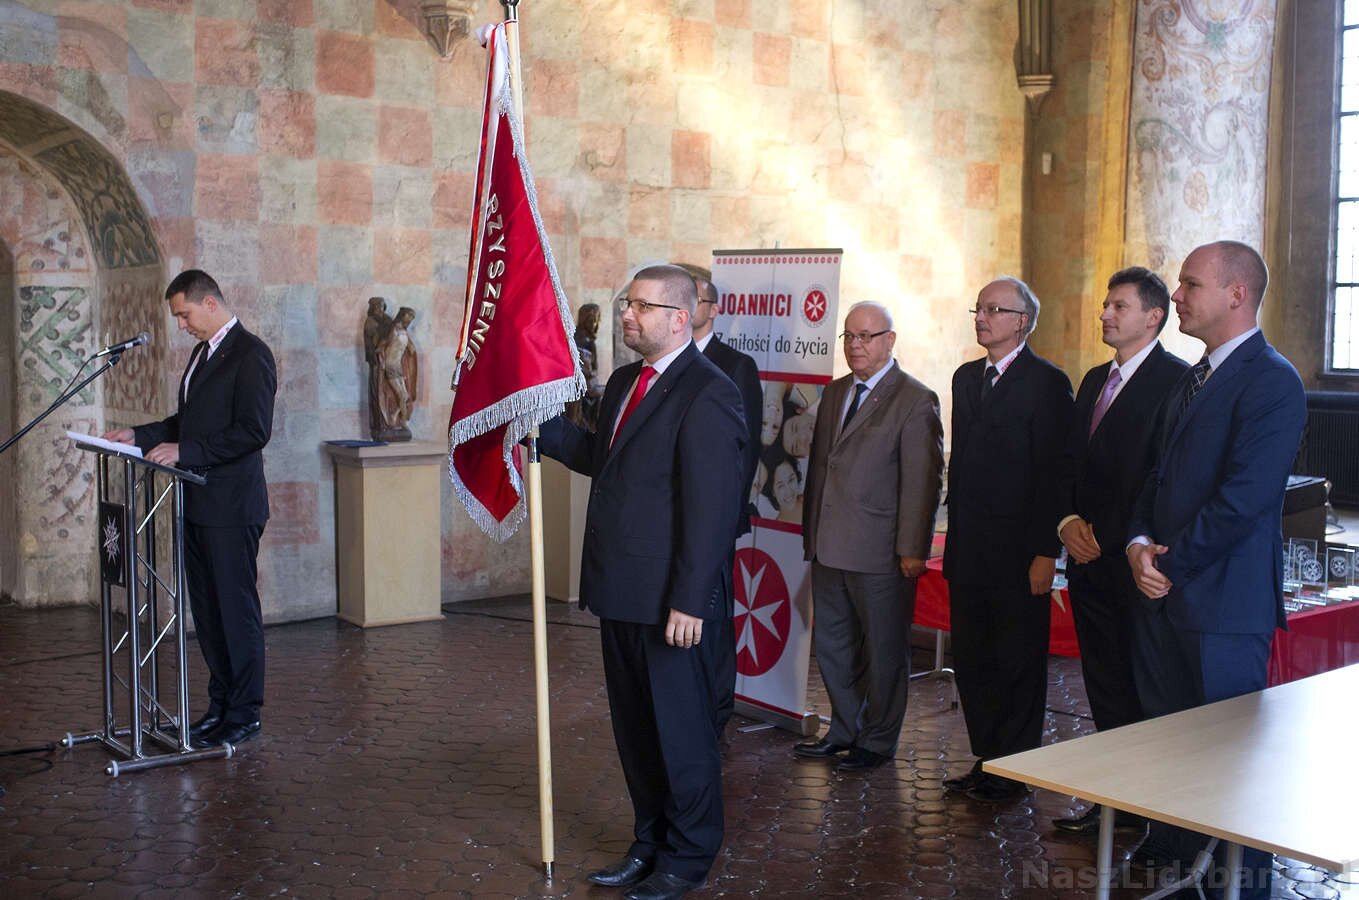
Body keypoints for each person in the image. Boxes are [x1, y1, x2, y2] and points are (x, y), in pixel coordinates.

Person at [537, 264, 746, 900]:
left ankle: (687, 858)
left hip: (671, 603)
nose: (627, 315)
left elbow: (712, 509)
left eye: (641, 307)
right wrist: (539, 425)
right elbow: (604, 459)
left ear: (680, 318)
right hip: (621, 590)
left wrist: (691, 600)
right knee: (636, 731)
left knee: (682, 734)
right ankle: (649, 843)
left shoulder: (708, 392)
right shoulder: (629, 381)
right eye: (627, 304)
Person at [1126, 241, 1305, 898]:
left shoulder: (1272, 380)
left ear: (1236, 294)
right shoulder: (1192, 377)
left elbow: (1245, 498)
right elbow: (1154, 477)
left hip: (1224, 607)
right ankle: (1186, 877)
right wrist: (1136, 544)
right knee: (1175, 753)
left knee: (1232, 769)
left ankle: (1242, 889)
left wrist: (1168, 564)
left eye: (1189, 284)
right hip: (1164, 595)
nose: (1176, 295)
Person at [102, 269, 277, 748]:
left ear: (210, 304)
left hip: (232, 507)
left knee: (235, 612)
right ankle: (219, 708)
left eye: (184, 314)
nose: (180, 325)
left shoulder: (251, 354)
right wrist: (139, 435)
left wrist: (187, 452)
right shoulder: (203, 354)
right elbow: (188, 422)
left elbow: (253, 431)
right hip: (197, 503)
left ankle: (244, 713)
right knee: (209, 614)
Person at [1050, 267, 1188, 834]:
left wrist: (1106, 534)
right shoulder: (1092, 380)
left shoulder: (1176, 381)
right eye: (1106, 304)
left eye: (1119, 306)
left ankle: (1151, 808)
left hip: (1134, 562)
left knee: (1141, 688)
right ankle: (1115, 804)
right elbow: (1069, 462)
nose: (1105, 313)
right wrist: (1065, 523)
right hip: (1085, 562)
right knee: (1103, 684)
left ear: (1153, 316)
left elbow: (1158, 476)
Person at [794, 301, 944, 771]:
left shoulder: (915, 399)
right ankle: (844, 730)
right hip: (828, 547)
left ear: (890, 340)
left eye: (866, 336)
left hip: (882, 553)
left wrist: (913, 549)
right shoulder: (836, 392)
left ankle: (877, 741)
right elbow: (822, 469)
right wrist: (811, 536)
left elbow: (923, 482)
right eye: (849, 336)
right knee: (834, 647)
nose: (856, 345)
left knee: (883, 653)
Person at [942, 276, 1074, 801]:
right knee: (973, 660)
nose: (981, 317)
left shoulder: (1047, 382)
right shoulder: (965, 377)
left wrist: (1046, 552)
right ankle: (988, 758)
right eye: (979, 308)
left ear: (1022, 322)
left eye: (994, 310)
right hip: (969, 549)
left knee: (1016, 661)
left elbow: (1055, 473)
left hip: (1020, 554)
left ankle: (1015, 770)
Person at [677, 263, 762, 737]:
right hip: (672, 519)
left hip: (715, 520)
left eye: (698, 299)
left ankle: (717, 706)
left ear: (712, 309)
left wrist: (725, 516)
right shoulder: (666, 362)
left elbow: (744, 453)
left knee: (712, 612)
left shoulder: (735, 366)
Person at [375, 306, 418, 440]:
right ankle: (403, 422)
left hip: (398, 367)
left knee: (405, 396)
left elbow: (411, 350)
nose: (410, 319)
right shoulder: (393, 329)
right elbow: (382, 344)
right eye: (409, 316)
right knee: (402, 395)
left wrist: (412, 351)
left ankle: (395, 416)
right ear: (403, 315)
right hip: (390, 365)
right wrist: (380, 355)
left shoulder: (404, 331)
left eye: (412, 317)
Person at [363, 296, 393, 439]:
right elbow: (371, 343)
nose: (379, 309)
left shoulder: (388, 320)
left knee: (388, 391)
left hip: (389, 361)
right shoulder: (370, 322)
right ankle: (379, 423)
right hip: (376, 361)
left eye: (381, 306)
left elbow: (393, 336)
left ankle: (390, 421)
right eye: (375, 306)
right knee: (377, 391)